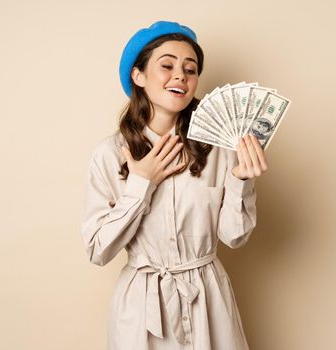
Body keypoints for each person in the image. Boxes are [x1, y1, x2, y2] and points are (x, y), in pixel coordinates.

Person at [80, 20, 268, 350]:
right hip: (142, 309)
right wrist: (141, 183)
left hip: (208, 302)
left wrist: (241, 180)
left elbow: (234, 237)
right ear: (137, 76)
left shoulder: (218, 149)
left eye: (190, 69)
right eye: (166, 65)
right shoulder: (109, 154)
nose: (180, 75)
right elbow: (98, 249)